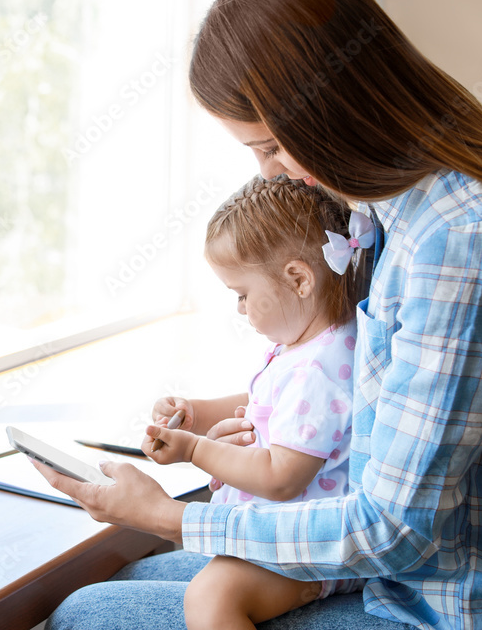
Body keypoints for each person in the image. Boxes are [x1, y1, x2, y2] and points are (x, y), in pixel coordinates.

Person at [32, 0, 482, 630]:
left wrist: (167, 514)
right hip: (396, 576)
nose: (275, 176)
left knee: (87, 617)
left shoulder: (461, 243)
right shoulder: (392, 214)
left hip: (440, 607)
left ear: (333, 109)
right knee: (126, 580)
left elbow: (393, 530)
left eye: (272, 148)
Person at [144, 173, 370, 629]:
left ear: (298, 279)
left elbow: (283, 477)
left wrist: (194, 450)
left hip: (309, 550)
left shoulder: (320, 369)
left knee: (210, 598)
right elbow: (261, 404)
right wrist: (195, 413)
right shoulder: (306, 346)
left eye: (243, 294)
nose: (240, 309)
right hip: (281, 537)